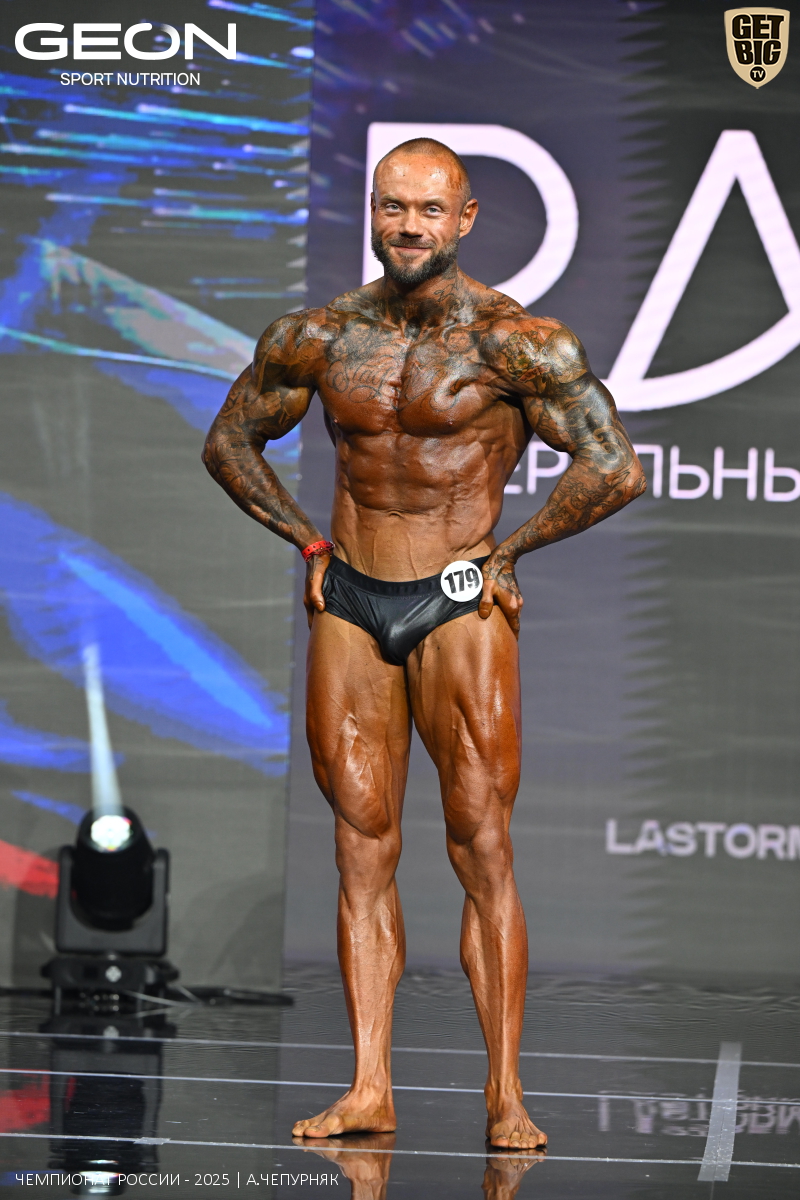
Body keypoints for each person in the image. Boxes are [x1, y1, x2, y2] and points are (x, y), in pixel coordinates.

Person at [203, 137, 646, 1150]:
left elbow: (613, 467)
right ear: (373, 210)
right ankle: (368, 1086)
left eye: (429, 209)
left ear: (465, 219)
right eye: (393, 206)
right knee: (360, 847)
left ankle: (504, 1094)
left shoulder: (517, 343)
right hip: (351, 598)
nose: (409, 226)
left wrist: (512, 550)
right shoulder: (318, 335)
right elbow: (228, 442)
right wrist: (308, 541)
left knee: (478, 843)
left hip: (456, 600)